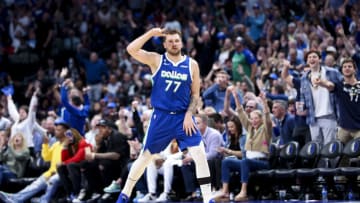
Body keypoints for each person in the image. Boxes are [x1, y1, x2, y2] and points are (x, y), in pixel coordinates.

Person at [116, 28, 214, 203]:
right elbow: (131, 49)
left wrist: (189, 114)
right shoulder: (156, 60)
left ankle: (208, 199)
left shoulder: (192, 65)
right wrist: (149, 34)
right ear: (164, 44)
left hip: (183, 117)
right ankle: (124, 194)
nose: (174, 43)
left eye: (177, 40)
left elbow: (196, 95)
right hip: (161, 117)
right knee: (145, 156)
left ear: (181, 42)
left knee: (199, 153)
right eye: (170, 41)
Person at [0, 118, 70, 203]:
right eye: (56, 129)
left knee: (44, 183)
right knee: (34, 186)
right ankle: (15, 198)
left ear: (65, 131)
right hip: (50, 173)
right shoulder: (56, 144)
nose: (56, 131)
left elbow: (70, 161)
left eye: (59, 130)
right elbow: (46, 157)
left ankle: (42, 200)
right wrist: (45, 144)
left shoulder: (69, 144)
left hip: (62, 174)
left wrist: (58, 171)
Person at [299, 50, 342, 146]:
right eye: (309, 57)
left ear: (320, 59)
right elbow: (302, 97)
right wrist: (301, 107)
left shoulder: (332, 72)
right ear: (307, 61)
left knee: (330, 147)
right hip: (313, 118)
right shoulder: (304, 78)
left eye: (314, 57)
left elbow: (343, 86)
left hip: (329, 115)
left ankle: (331, 162)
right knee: (316, 148)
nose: (311, 59)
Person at [316, 58, 360, 147]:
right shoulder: (339, 85)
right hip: (344, 128)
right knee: (340, 156)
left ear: (355, 70)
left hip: (359, 128)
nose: (347, 68)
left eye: (350, 66)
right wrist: (321, 82)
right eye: (344, 67)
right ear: (341, 70)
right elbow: (329, 85)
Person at [57, 127, 93, 201]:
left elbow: (78, 158)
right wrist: (65, 146)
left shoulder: (83, 142)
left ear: (75, 135)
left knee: (70, 165)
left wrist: (64, 163)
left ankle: (77, 192)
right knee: (60, 168)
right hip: (77, 164)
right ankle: (70, 193)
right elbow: (64, 159)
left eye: (70, 135)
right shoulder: (70, 145)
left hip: (88, 163)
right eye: (67, 136)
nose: (69, 137)